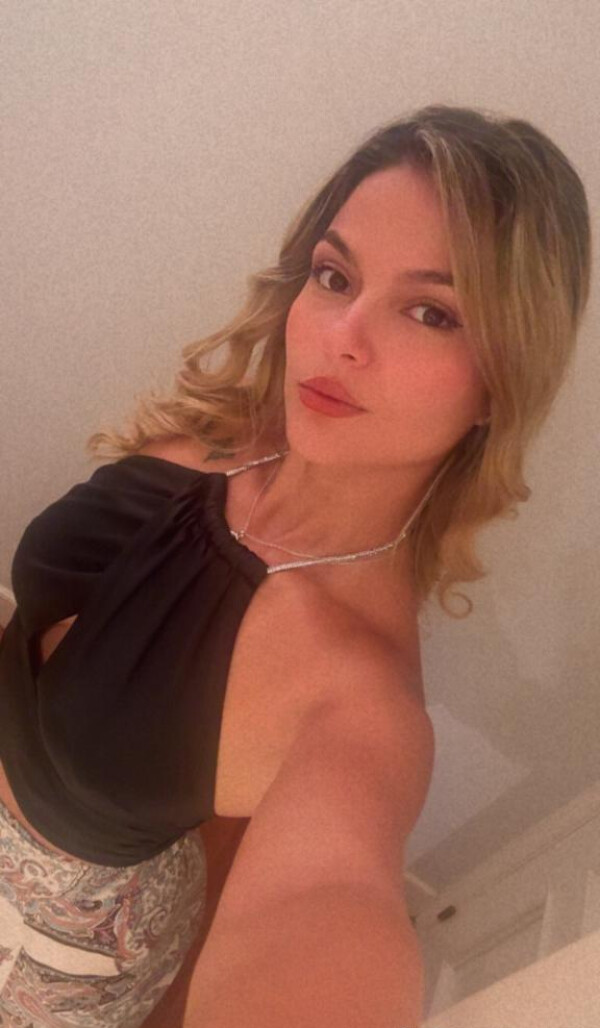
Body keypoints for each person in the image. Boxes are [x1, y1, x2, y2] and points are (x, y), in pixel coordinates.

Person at [0, 103, 591, 1028]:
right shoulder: (224, 433)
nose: (340, 334)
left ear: (497, 387)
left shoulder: (361, 701)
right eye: (334, 275)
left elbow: (327, 900)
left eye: (430, 312)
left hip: (41, 955)